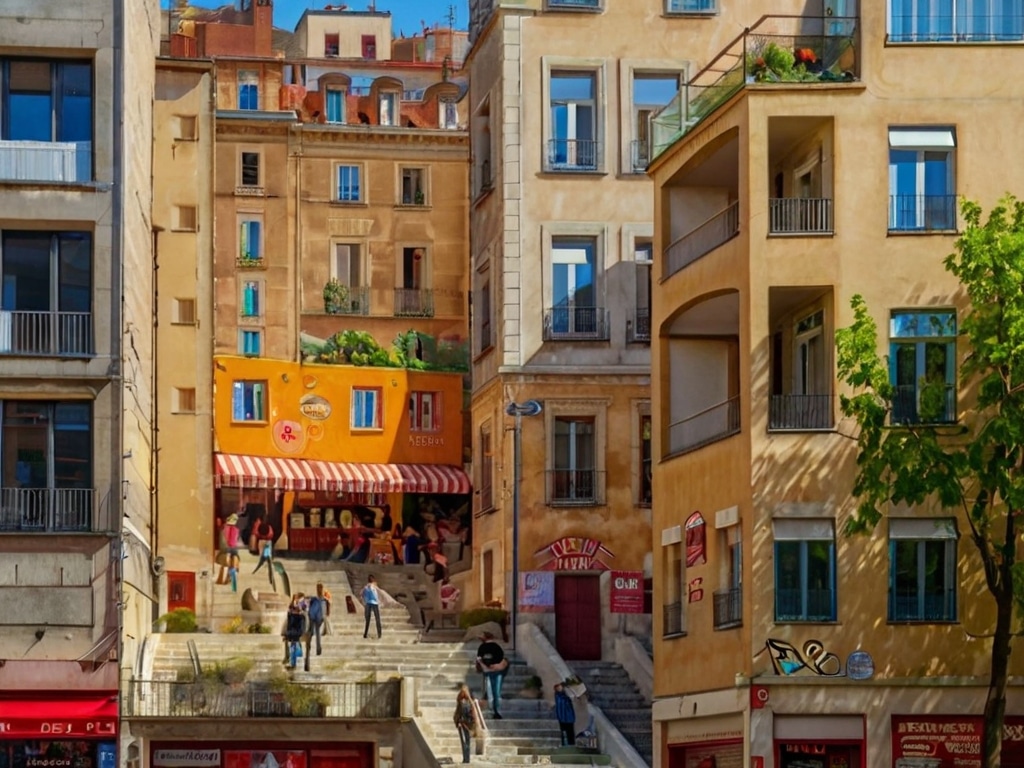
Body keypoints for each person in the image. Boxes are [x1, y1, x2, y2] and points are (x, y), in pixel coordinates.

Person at [476, 632, 509, 718]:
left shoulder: (482, 647)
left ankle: (493, 710)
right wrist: (497, 667)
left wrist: (485, 667)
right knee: (497, 692)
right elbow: (502, 659)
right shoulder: (497, 647)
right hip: (498, 672)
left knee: (490, 692)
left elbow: (479, 660)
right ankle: (497, 711)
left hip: (488, 672)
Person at [453, 683, 479, 764]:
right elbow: (458, 712)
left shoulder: (469, 702)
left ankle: (466, 758)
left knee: (467, 741)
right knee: (464, 741)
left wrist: (473, 723)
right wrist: (458, 721)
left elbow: (472, 714)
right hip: (462, 724)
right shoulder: (461, 701)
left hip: (467, 724)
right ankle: (465, 758)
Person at [217, 513, 242, 591]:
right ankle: (231, 579)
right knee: (234, 560)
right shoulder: (236, 530)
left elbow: (222, 544)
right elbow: (236, 542)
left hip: (225, 550)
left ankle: (224, 579)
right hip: (233, 551)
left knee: (226, 562)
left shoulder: (223, 529)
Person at [283, 593, 308, 669]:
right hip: (293, 633)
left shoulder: (301, 615)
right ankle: (293, 662)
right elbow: (289, 625)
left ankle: (295, 662)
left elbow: (300, 629)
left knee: (295, 646)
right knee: (293, 646)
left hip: (296, 633)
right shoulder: (291, 613)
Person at [307, 581, 331, 656]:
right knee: (313, 632)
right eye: (319, 588)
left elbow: (327, 608)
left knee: (316, 632)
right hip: (315, 617)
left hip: (318, 617)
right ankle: (312, 646)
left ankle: (317, 648)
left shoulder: (324, 599)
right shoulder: (316, 599)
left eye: (320, 587)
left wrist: (326, 614)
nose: (319, 589)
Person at [252, 518, 276, 591]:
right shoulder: (259, 531)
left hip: (266, 545)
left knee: (266, 562)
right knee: (265, 562)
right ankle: (256, 571)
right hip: (266, 544)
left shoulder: (269, 533)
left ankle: (269, 578)